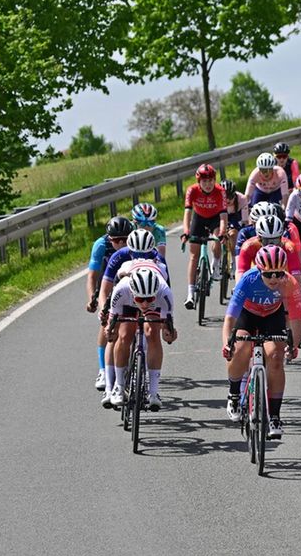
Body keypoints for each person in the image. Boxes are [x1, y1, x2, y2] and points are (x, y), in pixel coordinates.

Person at [221, 245, 301, 440]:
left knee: (275, 357)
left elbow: (296, 318)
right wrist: (226, 344)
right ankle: (233, 394)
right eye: (268, 274)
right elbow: (230, 318)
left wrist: (294, 345)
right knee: (240, 348)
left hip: (272, 317)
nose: (274, 278)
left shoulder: (289, 283)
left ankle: (274, 416)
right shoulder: (248, 281)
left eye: (278, 273)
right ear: (259, 271)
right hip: (247, 316)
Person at [103, 265, 177, 410]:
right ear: (133, 292)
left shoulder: (164, 292)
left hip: (156, 306)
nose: (144, 303)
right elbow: (112, 327)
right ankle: (119, 387)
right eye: (140, 299)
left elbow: (167, 332)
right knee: (123, 336)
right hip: (127, 303)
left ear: (154, 294)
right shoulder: (121, 289)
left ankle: (154, 393)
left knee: (153, 333)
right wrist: (110, 331)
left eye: (149, 299)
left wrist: (170, 334)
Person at [88, 216, 132, 392]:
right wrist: (93, 299)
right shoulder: (101, 245)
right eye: (116, 240)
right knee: (106, 322)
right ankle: (103, 370)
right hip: (108, 282)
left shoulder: (136, 242)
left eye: (125, 240)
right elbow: (92, 276)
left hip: (130, 284)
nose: (121, 244)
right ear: (109, 238)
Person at [181, 164, 229, 310]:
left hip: (215, 219)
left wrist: (222, 233)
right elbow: (187, 213)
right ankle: (190, 293)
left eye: (210, 181)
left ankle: (216, 265)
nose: (208, 184)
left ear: (214, 180)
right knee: (193, 255)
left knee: (216, 240)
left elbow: (223, 216)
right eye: (204, 181)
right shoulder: (192, 191)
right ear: (198, 181)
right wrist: (186, 231)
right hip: (199, 219)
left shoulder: (220, 191)